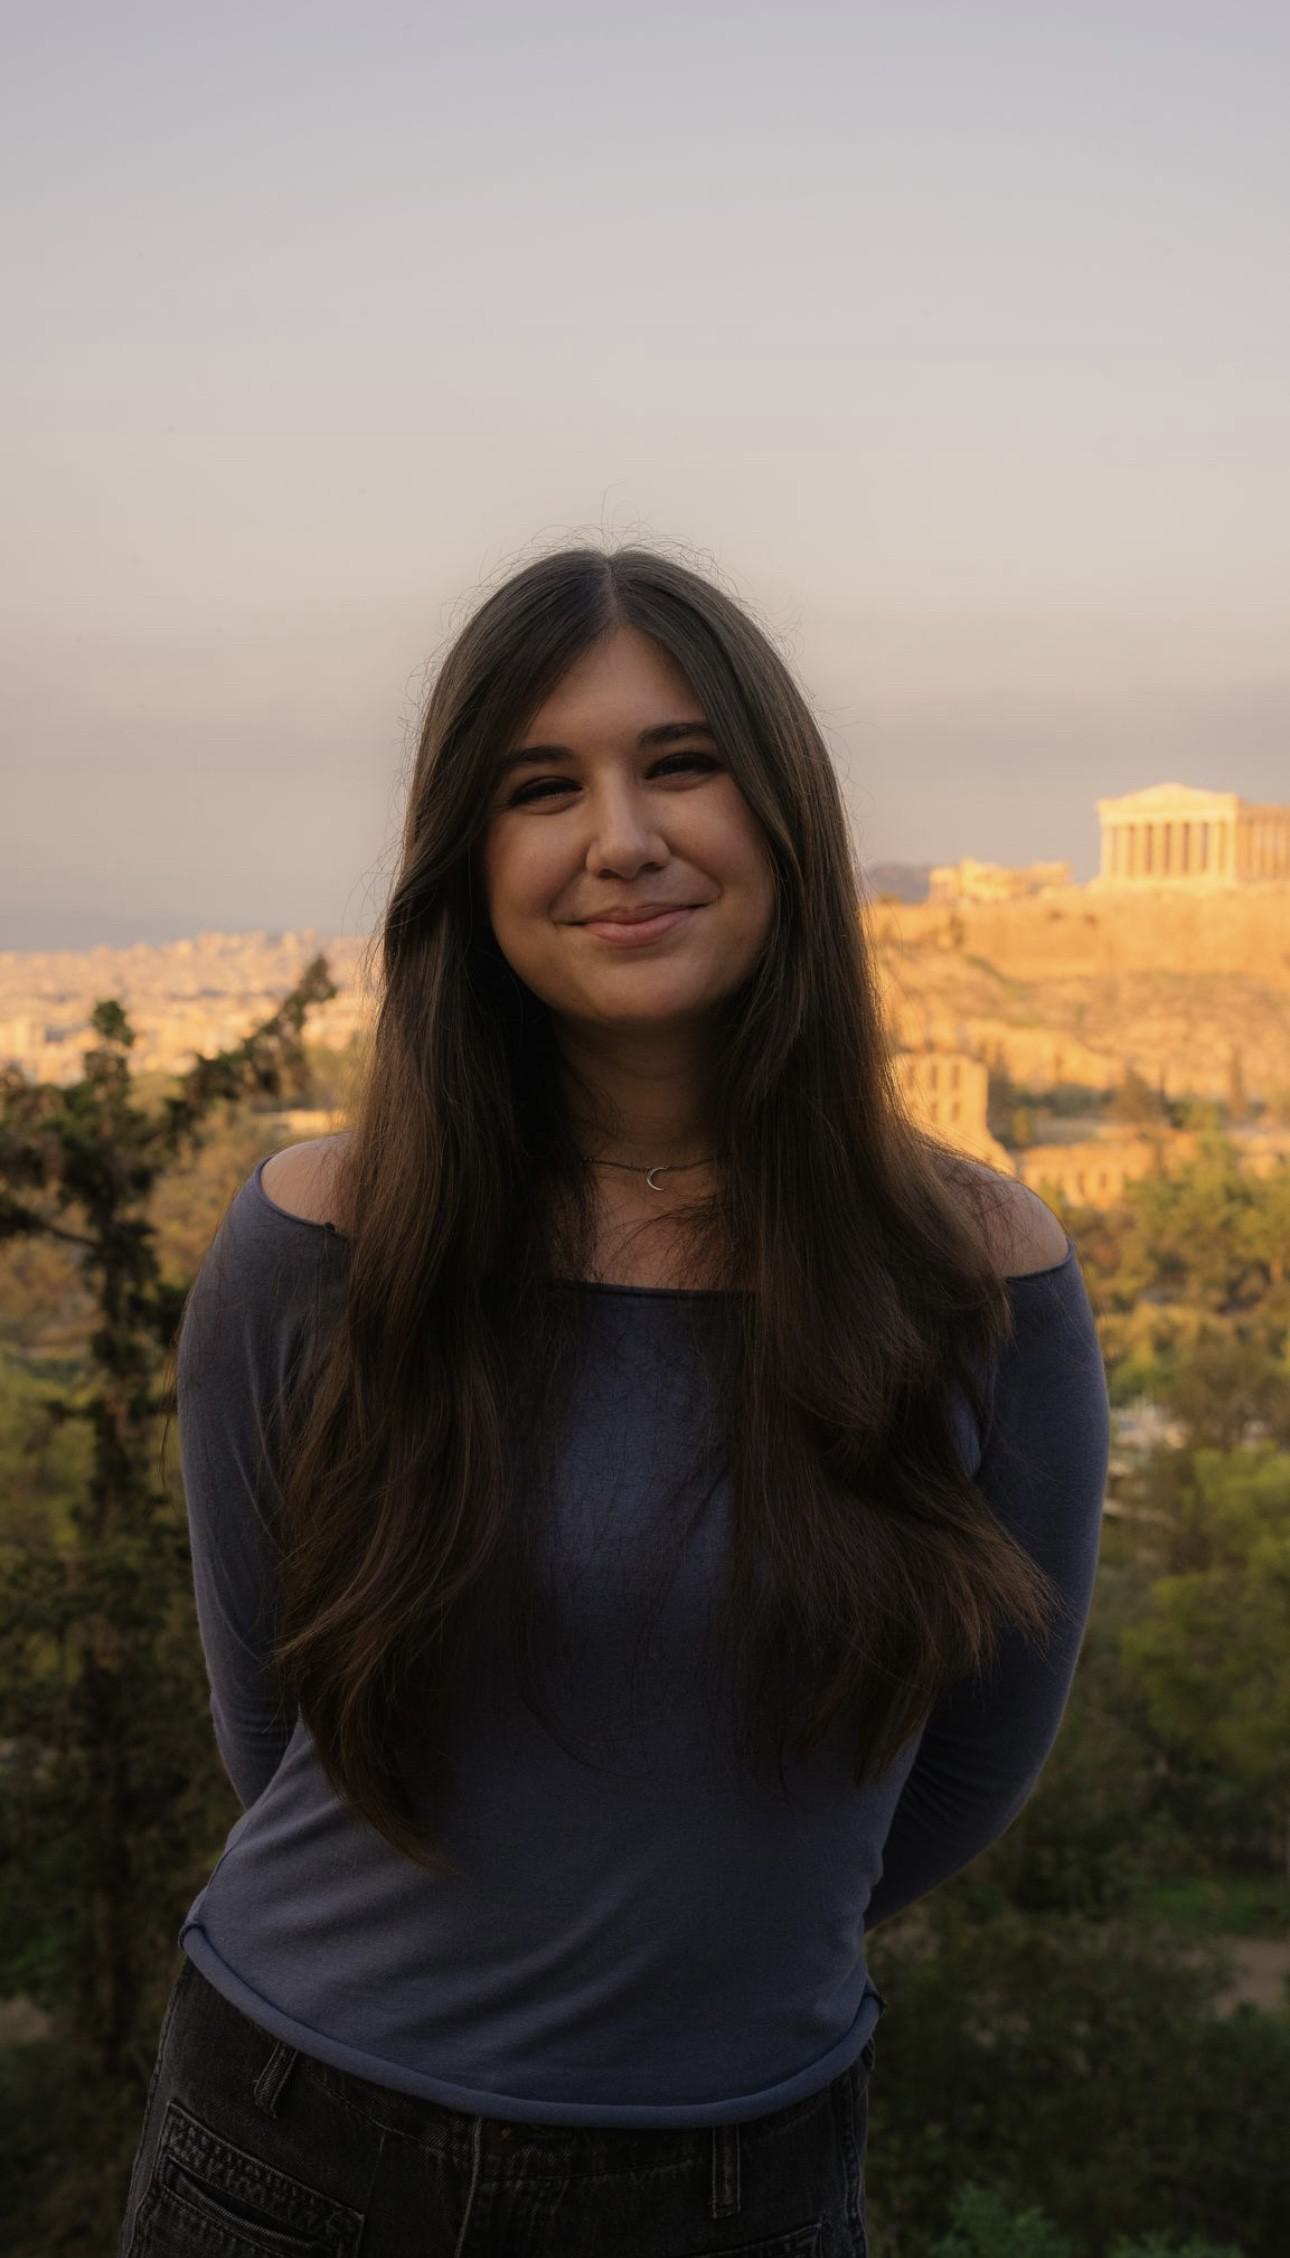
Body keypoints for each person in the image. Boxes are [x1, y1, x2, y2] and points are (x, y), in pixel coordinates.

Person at [118, 544, 1109, 2257]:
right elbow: (273, 1728)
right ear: (467, 859)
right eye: (539, 787)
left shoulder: (978, 1275)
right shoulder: (318, 1241)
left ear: (781, 811)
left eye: (679, 762)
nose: (621, 838)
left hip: (736, 2170)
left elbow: (963, 1770)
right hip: (293, 2147)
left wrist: (686, 1959)